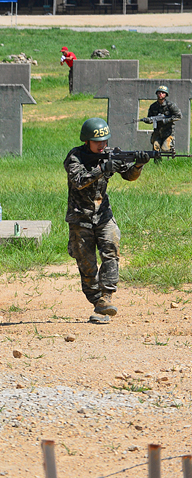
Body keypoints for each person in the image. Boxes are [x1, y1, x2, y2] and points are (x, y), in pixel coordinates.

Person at [64, 118, 149, 324]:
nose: (102, 145)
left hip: (103, 215)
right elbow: (79, 181)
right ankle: (98, 303)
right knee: (87, 266)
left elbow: (129, 176)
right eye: (97, 141)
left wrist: (138, 164)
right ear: (87, 141)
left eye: (104, 141)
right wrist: (103, 168)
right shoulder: (75, 157)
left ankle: (107, 296)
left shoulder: (110, 154)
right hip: (80, 217)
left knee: (111, 249)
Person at [142, 85, 181, 153]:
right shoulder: (153, 106)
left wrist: (167, 120)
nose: (160, 94)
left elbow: (178, 116)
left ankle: (169, 158)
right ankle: (156, 162)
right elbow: (150, 118)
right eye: (159, 93)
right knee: (155, 148)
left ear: (166, 95)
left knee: (165, 149)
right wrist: (147, 120)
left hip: (168, 132)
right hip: (157, 131)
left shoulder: (170, 105)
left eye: (163, 93)